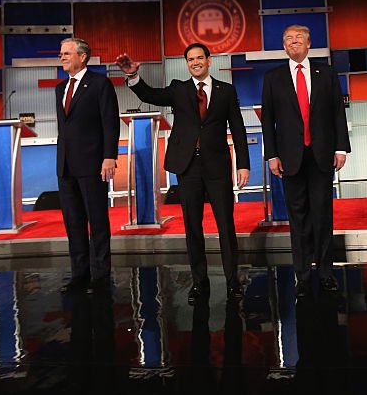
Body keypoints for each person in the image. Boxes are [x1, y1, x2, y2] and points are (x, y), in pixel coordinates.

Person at [116, 43, 250, 303]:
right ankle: (199, 283)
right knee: (192, 227)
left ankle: (233, 282)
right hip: (188, 167)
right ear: (187, 63)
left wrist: (243, 164)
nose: (196, 62)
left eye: (200, 57)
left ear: (209, 61)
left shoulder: (226, 91)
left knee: (226, 225)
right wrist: (133, 76)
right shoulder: (179, 89)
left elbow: (238, 128)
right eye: (191, 59)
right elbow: (149, 95)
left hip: (218, 167)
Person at [261, 24, 351, 298]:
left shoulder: (327, 73)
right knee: (297, 218)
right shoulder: (273, 77)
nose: (293, 42)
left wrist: (341, 149)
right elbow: (268, 120)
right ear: (284, 46)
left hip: (322, 154)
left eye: (298, 38)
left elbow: (337, 112)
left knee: (323, 216)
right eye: (288, 39)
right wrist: (272, 155)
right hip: (290, 158)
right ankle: (302, 274)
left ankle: (326, 272)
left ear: (309, 43)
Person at [55, 37, 120, 294]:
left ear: (82, 57)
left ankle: (100, 276)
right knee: (73, 222)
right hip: (66, 166)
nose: (61, 57)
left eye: (66, 53)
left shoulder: (99, 84)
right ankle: (79, 275)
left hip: (93, 163)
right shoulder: (60, 88)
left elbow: (109, 122)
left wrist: (109, 156)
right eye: (61, 53)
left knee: (97, 222)